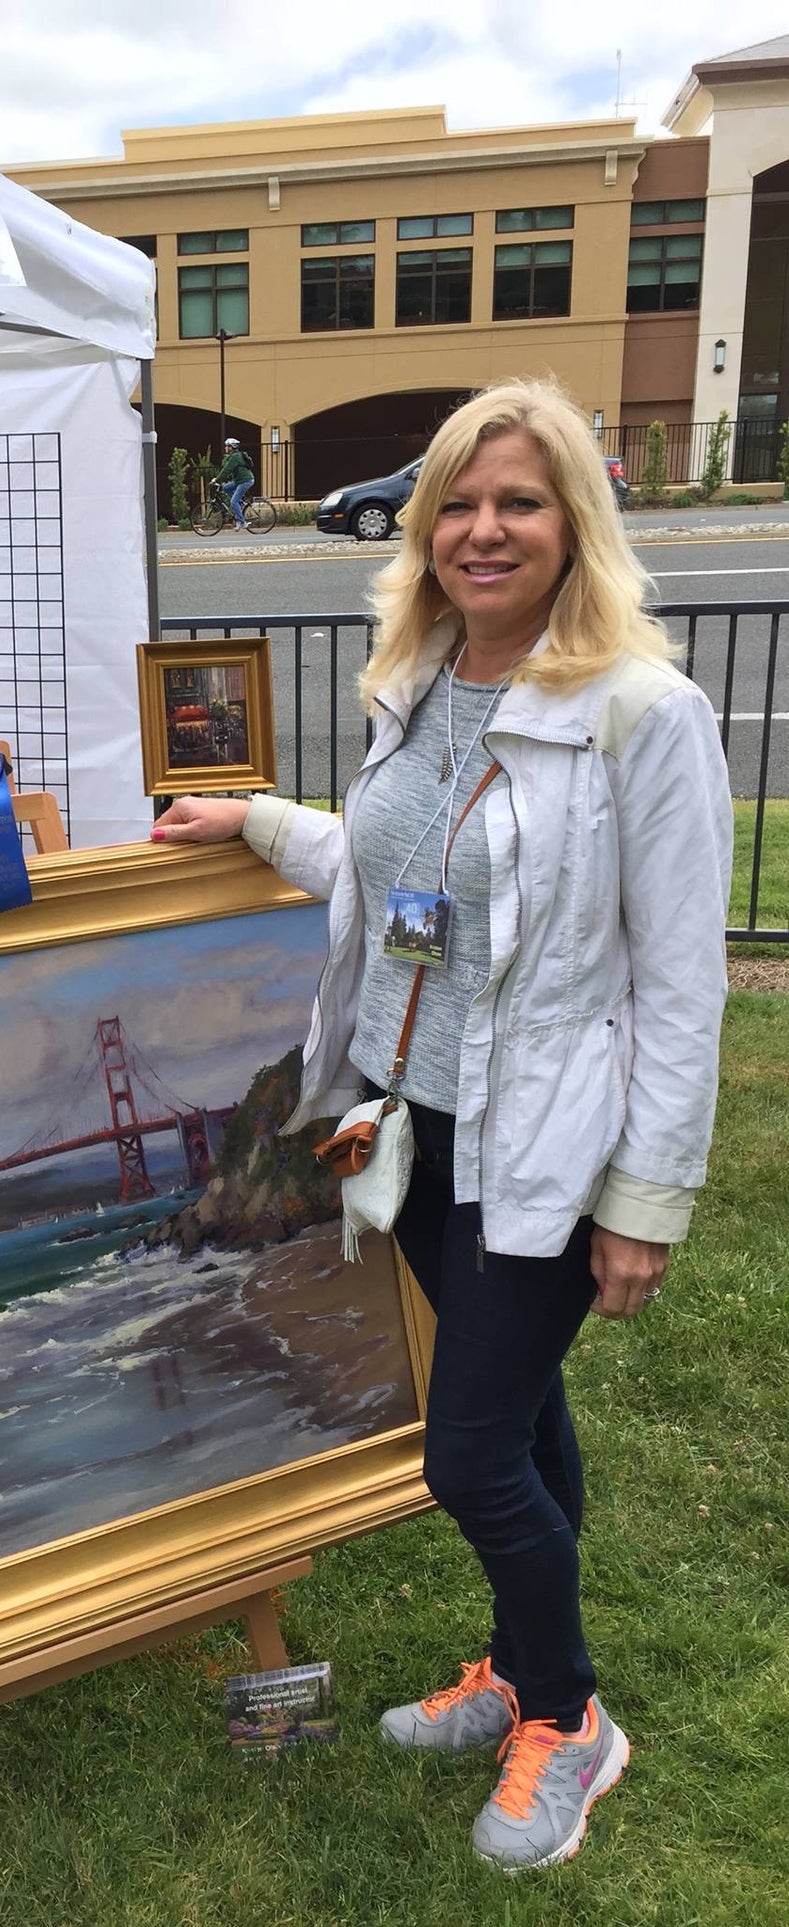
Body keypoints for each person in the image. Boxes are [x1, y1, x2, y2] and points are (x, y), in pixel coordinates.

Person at [152, 379, 732, 1872]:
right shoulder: (415, 681)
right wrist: (266, 822)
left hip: (547, 1141)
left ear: (572, 527)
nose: (484, 529)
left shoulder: (642, 716)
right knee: (522, 1412)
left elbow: (679, 985)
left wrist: (645, 1198)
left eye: (518, 502)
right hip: (415, 1131)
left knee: (468, 1453)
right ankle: (514, 1660)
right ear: (421, 533)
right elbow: (412, 866)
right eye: (458, 505)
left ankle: (570, 1715)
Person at [214, 437, 255, 529]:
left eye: (227, 446)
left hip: (246, 481)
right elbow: (230, 470)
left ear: (231, 447)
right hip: (239, 480)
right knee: (226, 488)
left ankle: (242, 522)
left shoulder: (235, 457)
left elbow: (226, 470)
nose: (225, 448)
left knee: (233, 502)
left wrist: (216, 480)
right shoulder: (234, 456)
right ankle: (240, 503)